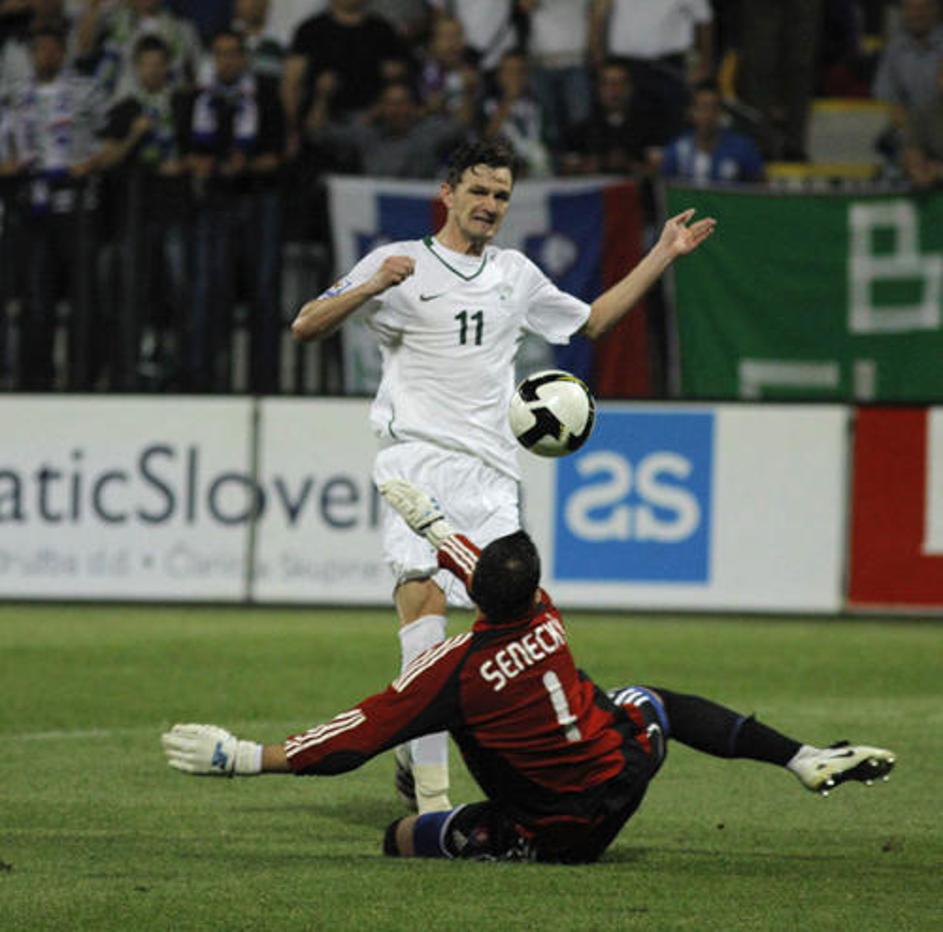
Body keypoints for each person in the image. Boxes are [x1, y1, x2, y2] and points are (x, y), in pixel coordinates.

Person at [288, 138, 715, 814]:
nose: (489, 205)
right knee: (425, 612)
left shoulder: (515, 274)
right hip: (416, 461)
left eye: (501, 196)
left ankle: (427, 750)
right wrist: (371, 287)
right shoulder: (396, 261)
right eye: (479, 191)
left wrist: (661, 253)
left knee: (507, 632)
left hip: (490, 475)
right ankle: (432, 800)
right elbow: (305, 325)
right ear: (448, 194)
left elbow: (594, 321)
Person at [161, 479, 897, 865]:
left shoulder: (454, 670)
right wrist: (435, 527)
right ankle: (800, 756)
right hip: (625, 773)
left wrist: (245, 757)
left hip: (556, 830)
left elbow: (358, 735)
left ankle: (501, 842)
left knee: (401, 837)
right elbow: (487, 575)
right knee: (650, 700)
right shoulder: (544, 611)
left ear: (476, 596)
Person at [657, 79, 764, 183]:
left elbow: (759, 187)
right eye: (703, 108)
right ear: (692, 112)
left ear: (721, 113)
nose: (708, 115)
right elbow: (665, 186)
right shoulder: (678, 149)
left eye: (714, 109)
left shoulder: (743, 149)